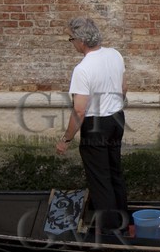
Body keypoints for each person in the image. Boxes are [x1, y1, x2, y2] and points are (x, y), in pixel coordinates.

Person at [55, 17, 130, 239]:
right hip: (117, 119)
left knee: (100, 179)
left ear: (80, 41)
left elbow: (79, 111)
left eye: (71, 39)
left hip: (96, 126)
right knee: (115, 172)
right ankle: (123, 223)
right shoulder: (115, 54)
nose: (72, 44)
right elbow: (124, 88)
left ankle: (109, 231)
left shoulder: (83, 69)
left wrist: (66, 140)